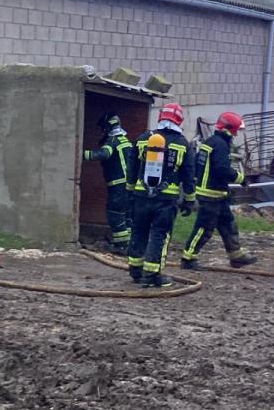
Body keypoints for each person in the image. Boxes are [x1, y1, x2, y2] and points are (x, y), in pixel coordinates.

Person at [126, 103, 196, 288]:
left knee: (139, 231)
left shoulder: (143, 138)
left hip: (141, 197)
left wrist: (130, 190)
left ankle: (135, 270)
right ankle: (152, 274)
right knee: (160, 234)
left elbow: (132, 166)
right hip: (165, 200)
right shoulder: (182, 144)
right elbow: (188, 175)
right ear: (179, 120)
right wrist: (189, 200)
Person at [180, 112, 258, 270]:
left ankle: (236, 256)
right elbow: (222, 169)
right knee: (204, 229)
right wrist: (241, 178)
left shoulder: (210, 142)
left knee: (228, 225)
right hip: (211, 196)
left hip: (217, 195)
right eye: (235, 130)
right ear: (229, 129)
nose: (236, 134)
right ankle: (188, 258)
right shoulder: (221, 145)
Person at [82, 112, 133, 254]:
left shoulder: (112, 141)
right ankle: (129, 244)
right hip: (129, 185)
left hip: (118, 185)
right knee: (127, 215)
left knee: (115, 214)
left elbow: (104, 154)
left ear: (107, 126)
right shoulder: (125, 140)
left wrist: (80, 153)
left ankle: (121, 246)